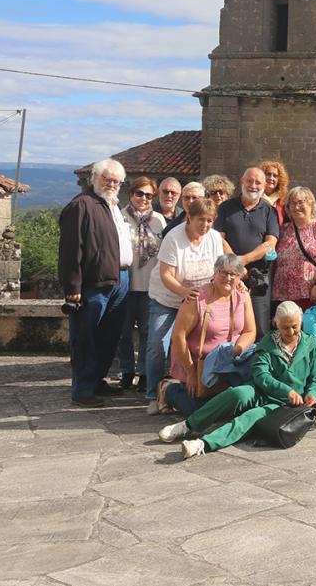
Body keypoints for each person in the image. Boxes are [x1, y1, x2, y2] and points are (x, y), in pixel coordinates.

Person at [159, 301, 316, 459]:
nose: (290, 332)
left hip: (283, 404)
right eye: (285, 327)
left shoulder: (312, 345)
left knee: (250, 417)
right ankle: (188, 425)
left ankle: (204, 444)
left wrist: (312, 393)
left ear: (300, 323)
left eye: (295, 327)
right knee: (236, 394)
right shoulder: (268, 342)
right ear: (276, 324)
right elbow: (261, 374)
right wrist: (286, 390)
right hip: (262, 390)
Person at [58, 158, 134, 407]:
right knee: (86, 337)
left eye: (117, 181)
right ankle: (82, 389)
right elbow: (70, 250)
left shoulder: (112, 205)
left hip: (120, 279)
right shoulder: (82, 205)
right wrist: (72, 287)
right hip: (93, 284)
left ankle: (97, 380)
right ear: (95, 178)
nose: (112, 184)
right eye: (107, 179)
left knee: (108, 337)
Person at [146, 198, 231, 414]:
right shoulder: (174, 238)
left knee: (196, 345)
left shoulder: (213, 238)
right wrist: (183, 292)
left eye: (210, 220)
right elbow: (166, 274)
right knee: (157, 343)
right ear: (189, 218)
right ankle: (152, 394)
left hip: (197, 300)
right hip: (168, 297)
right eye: (200, 220)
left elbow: (220, 268)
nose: (205, 225)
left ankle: (185, 387)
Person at [162, 254, 257, 416]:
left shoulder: (243, 296)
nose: (228, 278)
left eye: (233, 274)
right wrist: (191, 371)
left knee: (240, 405)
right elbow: (178, 336)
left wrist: (236, 350)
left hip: (231, 362)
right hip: (200, 366)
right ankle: (168, 390)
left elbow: (250, 331)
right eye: (223, 273)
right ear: (214, 273)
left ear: (240, 277)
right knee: (199, 411)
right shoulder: (197, 298)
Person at [214, 166, 279, 338]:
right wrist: (236, 267)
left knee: (260, 329)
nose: (253, 185)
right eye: (249, 181)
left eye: (258, 182)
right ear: (242, 182)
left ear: (264, 186)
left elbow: (270, 243)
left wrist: (242, 261)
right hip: (228, 277)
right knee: (227, 325)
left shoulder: (269, 211)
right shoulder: (225, 208)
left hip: (258, 280)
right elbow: (219, 239)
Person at [116, 176, 166, 390]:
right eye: (140, 194)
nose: (144, 199)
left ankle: (145, 373)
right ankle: (127, 371)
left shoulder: (159, 221)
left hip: (149, 287)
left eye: (149, 195)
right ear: (131, 194)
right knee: (123, 332)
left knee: (148, 333)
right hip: (126, 285)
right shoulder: (120, 218)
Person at [273, 186, 316, 308]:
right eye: (292, 203)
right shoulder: (283, 230)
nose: (296, 207)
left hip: (309, 294)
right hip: (282, 295)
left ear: (311, 205)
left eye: (301, 202)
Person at [261, 159, 289, 225]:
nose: (271, 178)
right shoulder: (254, 198)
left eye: (275, 176)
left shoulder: (284, 202)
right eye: (268, 174)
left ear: (279, 180)